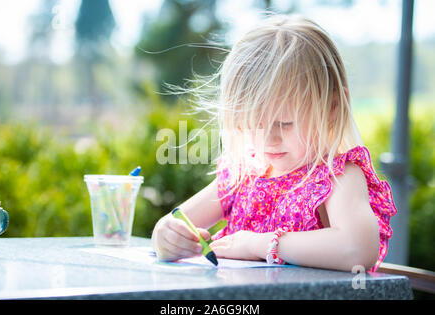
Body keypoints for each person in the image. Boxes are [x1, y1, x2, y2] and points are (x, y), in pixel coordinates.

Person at [151, 14, 397, 272]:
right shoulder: (244, 174)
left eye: (285, 123)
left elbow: (358, 249)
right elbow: (178, 221)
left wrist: (257, 244)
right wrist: (165, 236)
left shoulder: (337, 176)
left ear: (332, 107)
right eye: (254, 124)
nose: (269, 139)